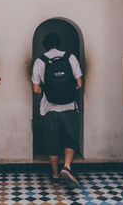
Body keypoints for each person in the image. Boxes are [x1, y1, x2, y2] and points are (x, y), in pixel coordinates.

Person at [31, 33, 82, 188]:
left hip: (49, 108)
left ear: (45, 45)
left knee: (52, 139)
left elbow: (36, 88)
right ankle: (66, 166)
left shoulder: (40, 61)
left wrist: (49, 91)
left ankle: (55, 174)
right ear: (59, 43)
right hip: (69, 106)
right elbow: (79, 83)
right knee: (70, 136)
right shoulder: (70, 57)